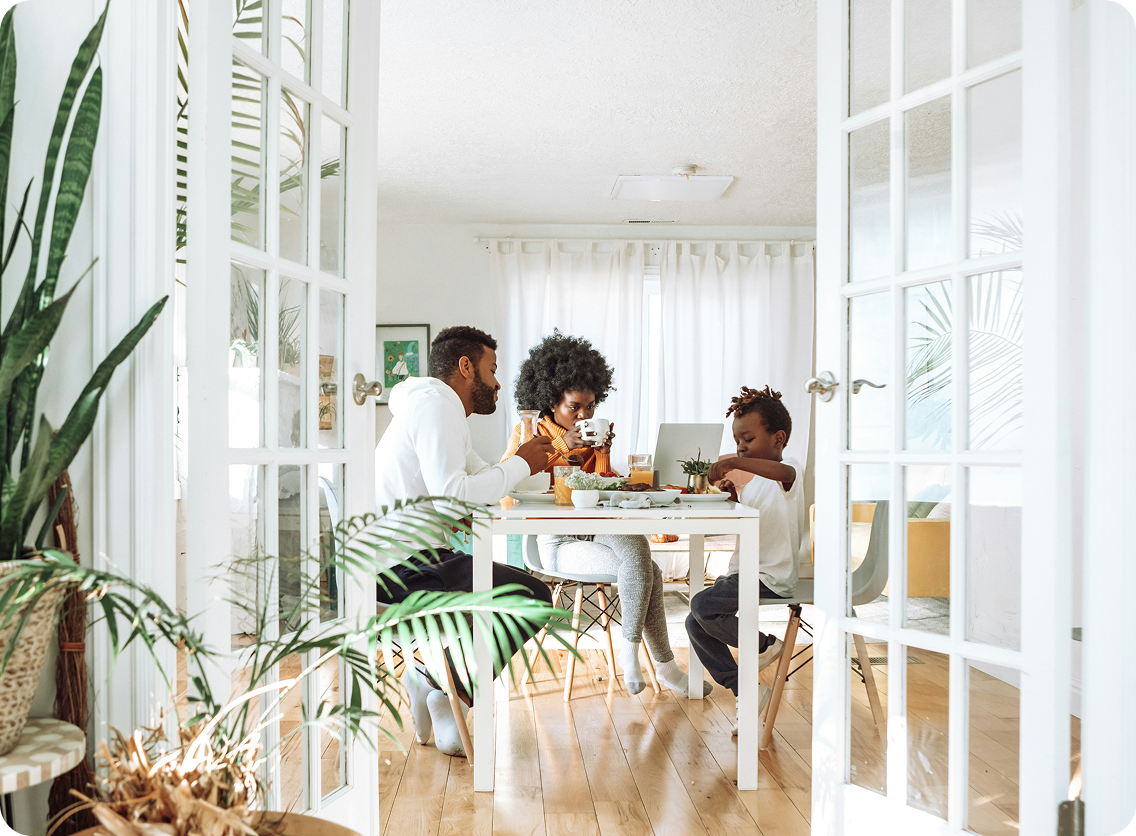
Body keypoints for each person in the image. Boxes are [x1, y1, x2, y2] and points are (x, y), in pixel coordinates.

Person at [375, 325, 556, 756]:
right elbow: (456, 494)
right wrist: (520, 463)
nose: (496, 383)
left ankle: (435, 683)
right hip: (397, 569)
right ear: (465, 366)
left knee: (520, 592)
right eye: (492, 370)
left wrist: (515, 466)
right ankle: (441, 689)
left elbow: (473, 479)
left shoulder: (436, 408)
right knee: (532, 597)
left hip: (412, 557)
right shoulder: (437, 408)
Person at [501, 331, 706, 696]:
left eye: (590, 407)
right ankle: (659, 665)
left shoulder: (592, 437)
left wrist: (605, 456)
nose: (584, 415)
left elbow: (597, 490)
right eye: (574, 407)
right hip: (556, 539)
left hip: (596, 528)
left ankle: (646, 660)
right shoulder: (530, 432)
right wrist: (564, 444)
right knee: (648, 569)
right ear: (550, 401)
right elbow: (508, 487)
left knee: (639, 552)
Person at [685, 385, 804, 733]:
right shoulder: (755, 484)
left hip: (771, 576)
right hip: (744, 571)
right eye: (738, 441)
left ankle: (766, 645)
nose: (740, 447)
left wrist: (734, 463)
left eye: (748, 439)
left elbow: (783, 476)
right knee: (695, 622)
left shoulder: (789, 470)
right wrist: (734, 494)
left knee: (703, 607)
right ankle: (746, 690)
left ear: (778, 439)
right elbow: (752, 521)